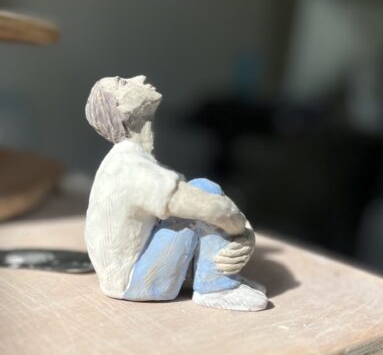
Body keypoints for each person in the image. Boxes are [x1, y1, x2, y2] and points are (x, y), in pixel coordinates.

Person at [85, 75, 267, 311]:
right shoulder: (129, 166)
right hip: (134, 281)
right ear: (121, 108)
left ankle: (206, 275)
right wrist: (242, 233)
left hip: (132, 273)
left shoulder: (128, 158)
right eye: (123, 83)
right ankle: (216, 286)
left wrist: (234, 226)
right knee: (204, 190)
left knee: (198, 198)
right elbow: (210, 207)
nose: (140, 77)